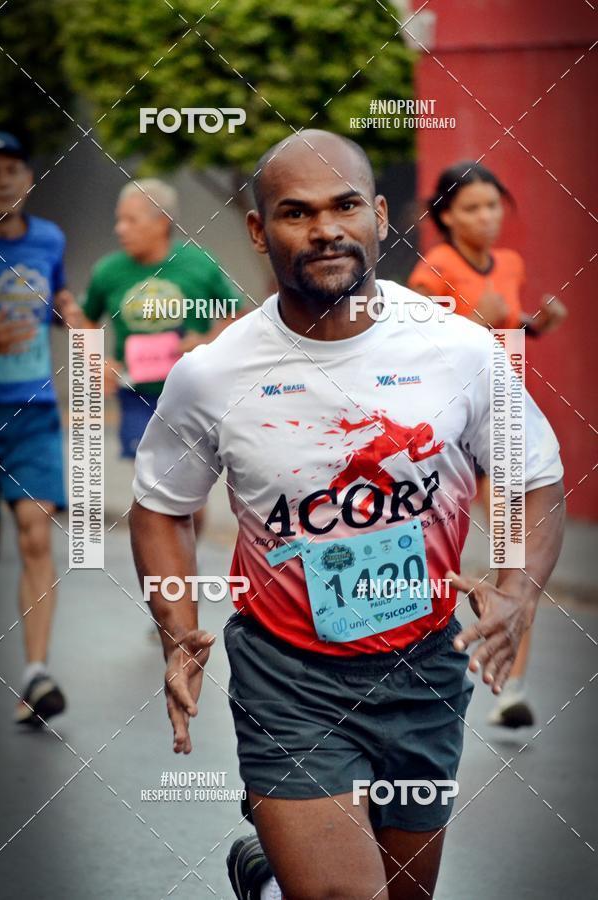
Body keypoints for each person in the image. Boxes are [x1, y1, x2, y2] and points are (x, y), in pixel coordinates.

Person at [129, 131, 565, 900]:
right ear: (261, 231)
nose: (327, 227)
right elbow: (162, 506)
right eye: (296, 212)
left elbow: (535, 475)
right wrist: (177, 630)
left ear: (380, 215)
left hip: (426, 670)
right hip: (287, 674)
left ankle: (267, 877)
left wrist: (518, 588)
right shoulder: (214, 374)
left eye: (346, 205)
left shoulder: (457, 350)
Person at [408, 161, 568, 728]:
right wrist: (482, 317)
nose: (486, 217)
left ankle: (510, 686)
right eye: (472, 207)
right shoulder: (435, 268)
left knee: (512, 556)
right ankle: (404, 663)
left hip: (500, 427)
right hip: (447, 431)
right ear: (446, 215)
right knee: (427, 554)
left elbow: (509, 327)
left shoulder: (511, 263)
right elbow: (422, 342)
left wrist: (536, 322)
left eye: (494, 204)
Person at [82, 179, 242, 540]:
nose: (119, 229)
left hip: (191, 394)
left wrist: (205, 340)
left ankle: (186, 549)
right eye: (118, 220)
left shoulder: (198, 264)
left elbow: (237, 314)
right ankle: (168, 560)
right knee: (155, 479)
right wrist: (97, 362)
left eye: (131, 220)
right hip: (137, 395)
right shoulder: (109, 271)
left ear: (162, 221)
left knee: (189, 487)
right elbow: (84, 319)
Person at [0, 131, 81, 725]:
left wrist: (72, 316)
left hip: (32, 411)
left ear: (27, 179)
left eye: (12, 168)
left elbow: (57, 299)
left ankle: (35, 674)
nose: (3, 179)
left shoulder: (49, 239)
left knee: (35, 533)